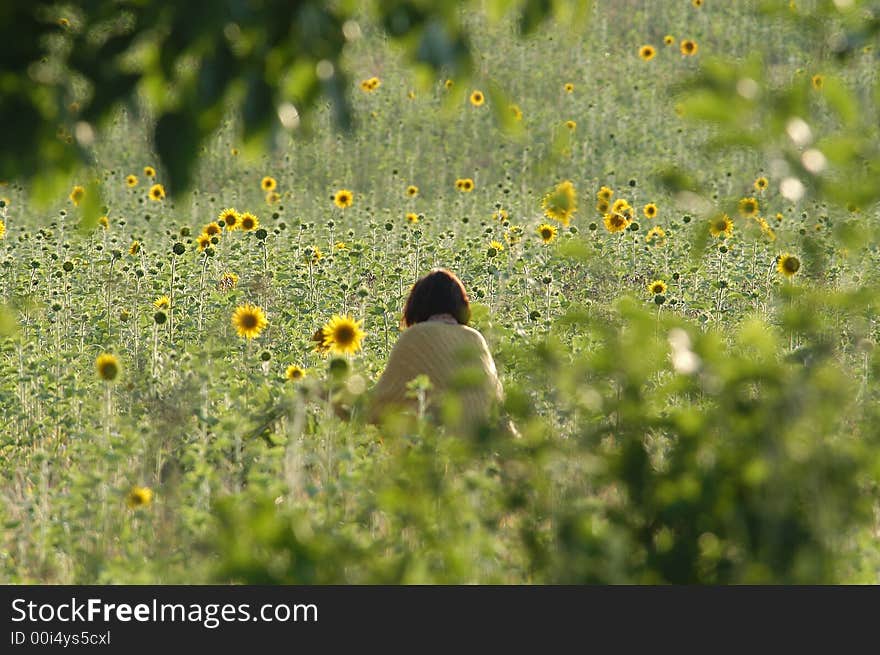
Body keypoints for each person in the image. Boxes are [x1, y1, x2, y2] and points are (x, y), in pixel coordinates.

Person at [366, 269, 511, 435]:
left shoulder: (416, 336)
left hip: (440, 448)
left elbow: (380, 404)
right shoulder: (475, 338)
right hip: (482, 447)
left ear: (417, 304)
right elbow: (495, 400)